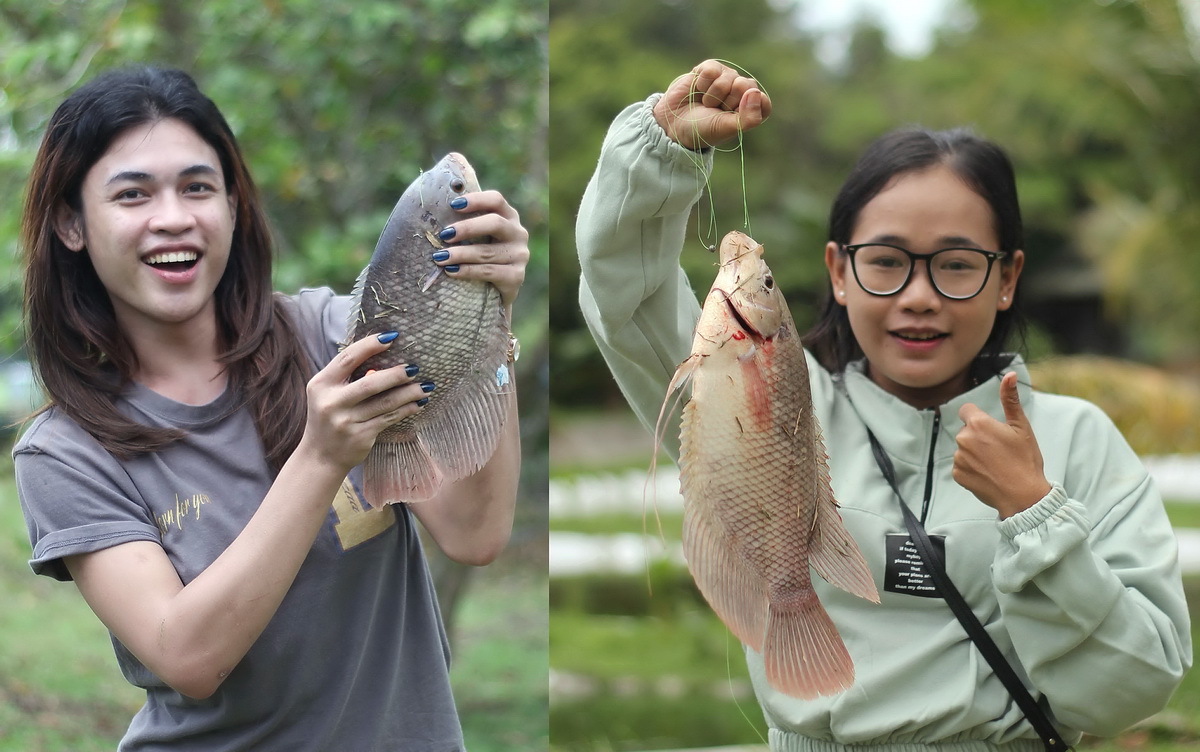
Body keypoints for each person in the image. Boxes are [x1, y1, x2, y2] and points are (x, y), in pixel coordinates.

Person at [577, 59, 1191, 750]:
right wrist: (662, 152)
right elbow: (623, 293)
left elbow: (1135, 687)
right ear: (839, 272)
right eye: (887, 261)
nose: (919, 295)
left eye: (956, 264)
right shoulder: (771, 389)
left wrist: (1037, 514)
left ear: (1007, 278)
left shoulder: (1079, 439)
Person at [15, 65, 527, 751]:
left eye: (198, 187)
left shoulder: (332, 338)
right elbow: (190, 656)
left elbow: (474, 531)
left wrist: (486, 312)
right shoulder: (65, 451)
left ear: (232, 205)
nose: (174, 218)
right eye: (132, 195)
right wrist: (320, 459)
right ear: (72, 225)